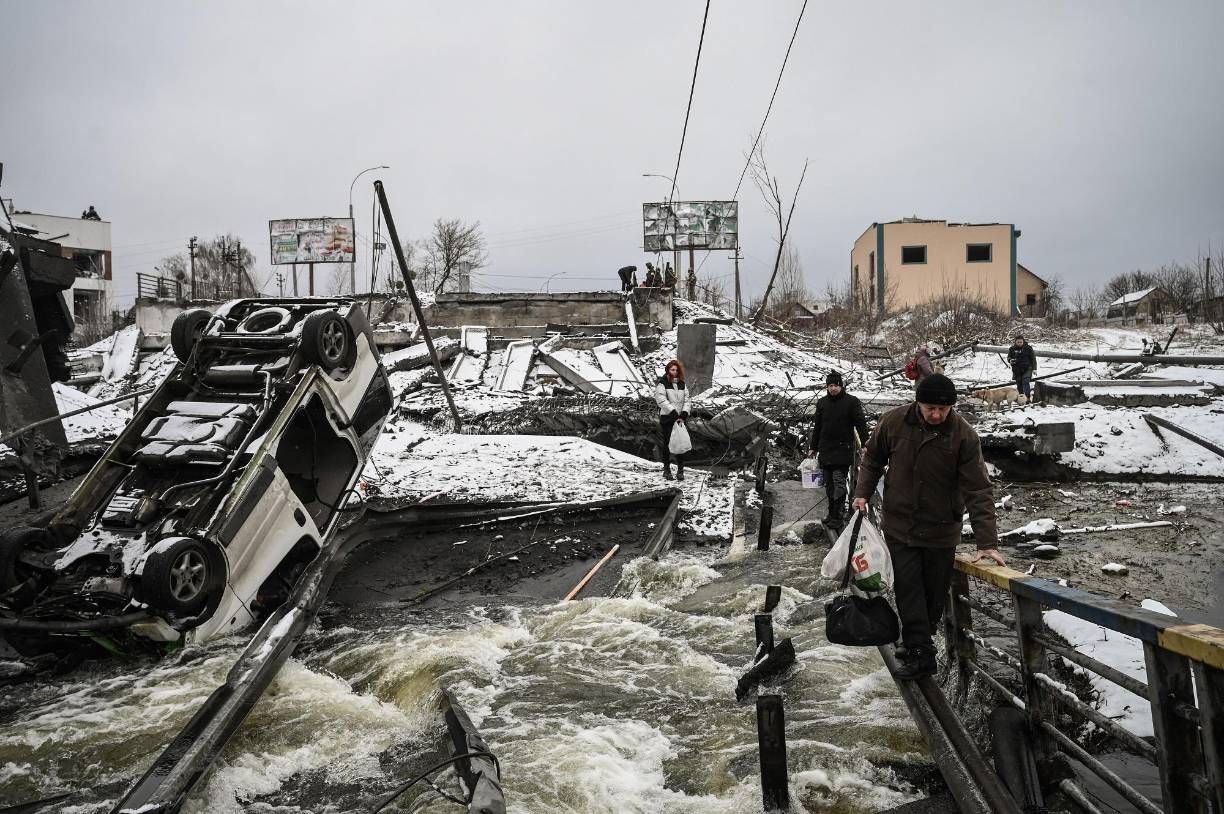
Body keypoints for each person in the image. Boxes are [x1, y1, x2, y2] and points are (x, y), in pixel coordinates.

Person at [851, 373, 1005, 681]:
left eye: (942, 409)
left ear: (951, 408)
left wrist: (987, 542)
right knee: (909, 590)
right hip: (900, 525)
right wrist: (861, 494)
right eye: (930, 408)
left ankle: (916, 642)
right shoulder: (894, 422)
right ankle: (922, 656)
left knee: (934, 597)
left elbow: (978, 489)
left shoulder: (963, 435)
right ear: (918, 402)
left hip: (941, 529)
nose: (936, 414)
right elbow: (872, 460)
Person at [807, 371, 869, 533]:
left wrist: (865, 444)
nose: (833, 388)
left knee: (839, 481)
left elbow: (861, 423)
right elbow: (817, 427)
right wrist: (813, 447)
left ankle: (838, 515)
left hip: (843, 448)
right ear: (827, 387)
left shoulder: (851, 402)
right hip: (826, 448)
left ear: (841, 385)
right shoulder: (822, 403)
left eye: (836, 385)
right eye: (830, 386)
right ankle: (831, 513)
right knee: (828, 482)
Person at [653, 358, 692, 481]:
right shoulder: (662, 383)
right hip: (668, 418)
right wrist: (674, 413)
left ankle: (680, 471)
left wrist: (684, 414)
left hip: (680, 418)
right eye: (672, 369)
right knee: (667, 443)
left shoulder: (682, 384)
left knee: (680, 443)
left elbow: (687, 400)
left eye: (676, 370)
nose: (674, 372)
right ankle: (667, 470)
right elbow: (661, 400)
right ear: (668, 370)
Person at [1006, 334, 1037, 399]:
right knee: (1019, 384)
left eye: (1021, 342)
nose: (1020, 343)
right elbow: (1009, 357)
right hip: (1017, 369)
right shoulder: (1012, 349)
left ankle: (1028, 397)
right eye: (1018, 342)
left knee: (1025, 382)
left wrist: (1034, 369)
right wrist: (1010, 360)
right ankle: (1021, 398)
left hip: (1027, 368)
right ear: (1015, 342)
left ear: (1023, 341)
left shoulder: (1028, 348)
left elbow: (1033, 359)